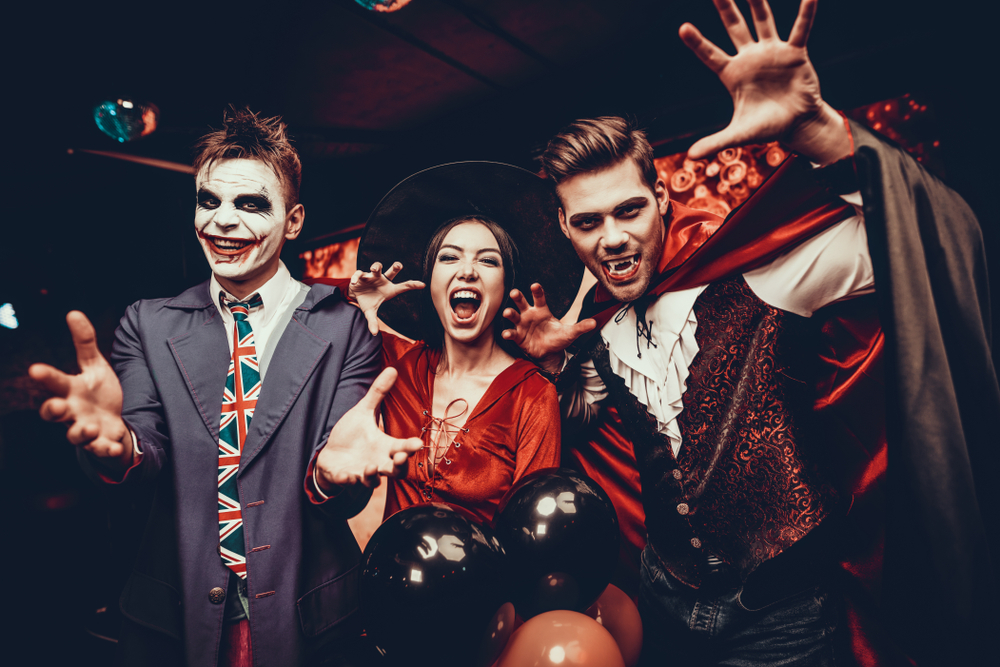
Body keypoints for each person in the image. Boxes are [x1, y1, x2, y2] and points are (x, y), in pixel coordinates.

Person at [503, 1, 997, 665]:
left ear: (661, 200)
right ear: (566, 229)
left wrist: (819, 131)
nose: (613, 237)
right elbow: (594, 429)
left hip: (784, 614)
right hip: (665, 602)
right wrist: (558, 368)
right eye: (588, 222)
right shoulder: (600, 329)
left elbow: (917, 239)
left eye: (628, 210)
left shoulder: (761, 279)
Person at [28, 108, 422, 667]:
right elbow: (144, 449)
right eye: (208, 201)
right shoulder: (148, 323)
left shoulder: (343, 325)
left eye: (251, 204)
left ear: (294, 221)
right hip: (176, 618)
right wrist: (118, 445)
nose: (221, 222)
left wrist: (334, 475)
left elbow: (339, 466)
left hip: (307, 621)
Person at [336, 162, 580, 523]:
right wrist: (354, 297)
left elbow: (535, 528)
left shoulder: (531, 395)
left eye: (488, 260)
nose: (467, 270)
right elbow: (300, 305)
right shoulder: (398, 364)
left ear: (505, 287)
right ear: (430, 281)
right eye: (449, 257)